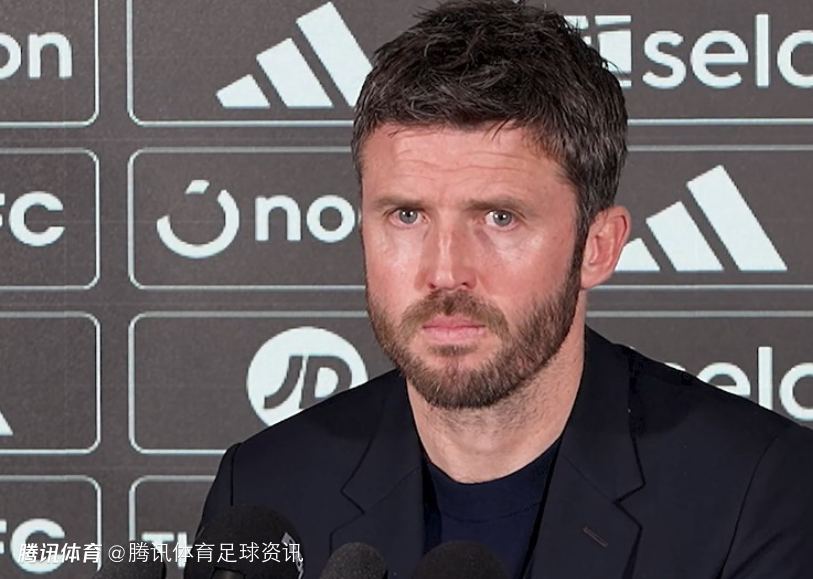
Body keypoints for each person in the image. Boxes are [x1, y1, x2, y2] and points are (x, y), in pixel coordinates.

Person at [196, 1, 813, 577]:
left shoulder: (758, 495)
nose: (445, 271)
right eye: (407, 215)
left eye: (499, 218)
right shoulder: (262, 490)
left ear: (598, 246)